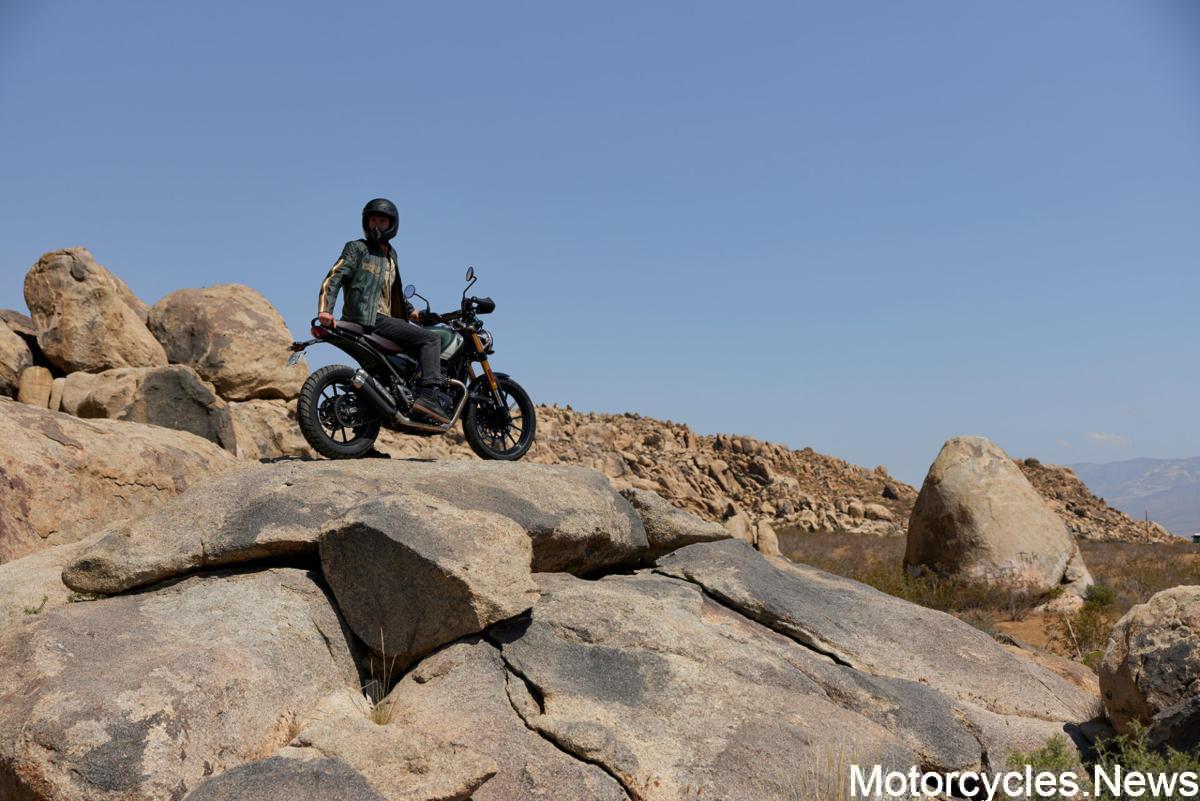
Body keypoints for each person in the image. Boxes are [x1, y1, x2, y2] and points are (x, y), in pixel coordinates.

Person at [317, 198, 452, 423]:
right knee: (431, 340)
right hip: (370, 319)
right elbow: (334, 277)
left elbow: (392, 290)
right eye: (373, 221)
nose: (377, 226)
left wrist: (412, 312)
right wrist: (325, 309)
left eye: (382, 221)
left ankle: (389, 404)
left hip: (384, 320)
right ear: (366, 223)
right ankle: (428, 396)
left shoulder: (391, 255)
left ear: (392, 225)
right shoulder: (358, 248)